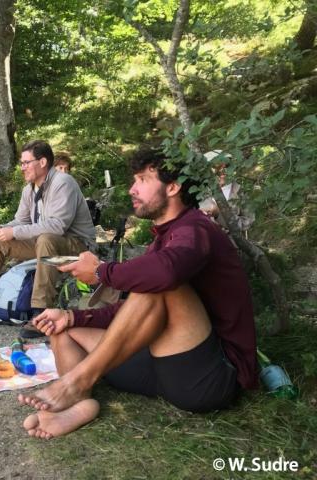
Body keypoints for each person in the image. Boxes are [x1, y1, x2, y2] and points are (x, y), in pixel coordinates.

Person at [18, 147, 257, 439]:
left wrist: (101, 271)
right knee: (64, 328)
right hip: (163, 367)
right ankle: (78, 406)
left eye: (143, 179)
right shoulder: (164, 239)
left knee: (161, 282)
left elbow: (164, 278)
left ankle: (76, 381)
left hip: (210, 376)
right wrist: (71, 316)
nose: (133, 188)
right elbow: (135, 312)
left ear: (173, 187)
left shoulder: (196, 229)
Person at [0, 140, 96, 338]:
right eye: (21, 163)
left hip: (78, 247)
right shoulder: (29, 189)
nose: (22, 167)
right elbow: (21, 220)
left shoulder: (62, 182)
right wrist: (3, 229)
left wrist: (14, 232)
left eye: (26, 162)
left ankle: (41, 313)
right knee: (0, 242)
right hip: (46, 243)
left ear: (42, 162)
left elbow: (58, 226)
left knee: (46, 239)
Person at [198, 150, 254, 237]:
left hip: (230, 245)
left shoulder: (240, 191)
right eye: (216, 166)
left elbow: (246, 223)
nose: (222, 170)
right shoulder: (197, 191)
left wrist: (218, 213)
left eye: (227, 165)